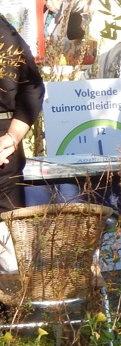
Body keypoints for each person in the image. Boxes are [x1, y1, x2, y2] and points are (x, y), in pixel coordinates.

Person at [0, 16, 45, 211]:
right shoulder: (6, 33)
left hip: (4, 145)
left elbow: (32, 87)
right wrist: (12, 137)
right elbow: (33, 87)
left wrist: (11, 137)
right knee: (7, 231)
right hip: (5, 142)